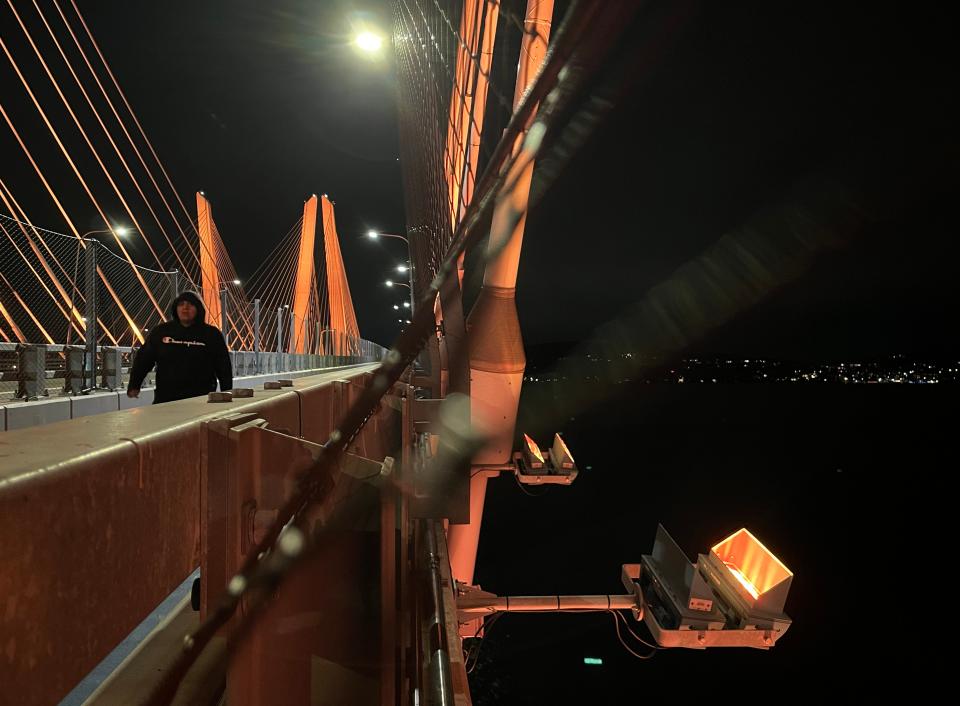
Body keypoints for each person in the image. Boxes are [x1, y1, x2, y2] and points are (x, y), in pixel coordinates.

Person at [127, 291, 232, 404]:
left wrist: (226, 392)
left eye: (190, 304)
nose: (185, 308)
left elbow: (223, 366)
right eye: (181, 304)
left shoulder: (211, 334)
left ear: (198, 309)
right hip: (166, 399)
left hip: (201, 400)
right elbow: (144, 359)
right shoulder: (161, 332)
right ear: (175, 308)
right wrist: (134, 384)